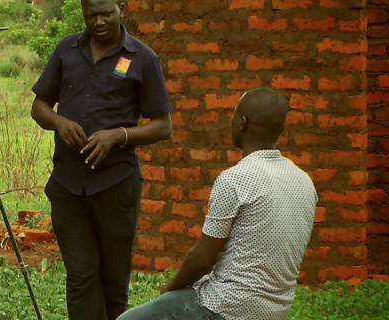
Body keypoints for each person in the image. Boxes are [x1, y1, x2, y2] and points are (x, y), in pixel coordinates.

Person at [117, 88, 318, 320]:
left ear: (242, 123)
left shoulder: (235, 179)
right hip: (274, 312)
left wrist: (169, 290)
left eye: (233, 115)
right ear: (281, 130)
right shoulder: (304, 182)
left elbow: (202, 259)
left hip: (225, 306)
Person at [29, 0, 173, 318]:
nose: (98, 22)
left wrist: (118, 135)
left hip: (115, 185)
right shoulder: (67, 49)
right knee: (80, 275)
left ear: (120, 8)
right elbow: (39, 107)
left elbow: (163, 126)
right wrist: (59, 122)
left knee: (112, 280)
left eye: (106, 13)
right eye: (90, 15)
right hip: (68, 185)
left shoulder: (142, 58)